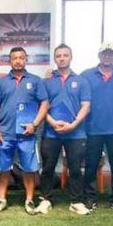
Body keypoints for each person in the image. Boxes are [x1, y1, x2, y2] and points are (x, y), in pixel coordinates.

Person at [0, 46, 49, 213]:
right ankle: (2, 199)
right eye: (14, 58)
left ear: (26, 60)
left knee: (28, 169)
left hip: (27, 134)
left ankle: (29, 200)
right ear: (9, 61)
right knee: (4, 168)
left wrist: (34, 124)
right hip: (5, 133)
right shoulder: (0, 82)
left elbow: (44, 103)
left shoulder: (36, 81)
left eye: (21, 58)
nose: (18, 61)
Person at [39, 44, 92, 215]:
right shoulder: (46, 81)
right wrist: (52, 122)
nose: (62, 58)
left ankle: (76, 201)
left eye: (65, 55)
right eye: (58, 56)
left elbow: (86, 106)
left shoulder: (82, 81)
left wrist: (73, 124)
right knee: (48, 168)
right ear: (55, 59)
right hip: (51, 132)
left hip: (76, 133)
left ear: (71, 57)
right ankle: (46, 199)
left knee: (75, 168)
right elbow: (42, 106)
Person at [80, 42, 113, 212]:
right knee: (91, 166)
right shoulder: (86, 75)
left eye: (111, 53)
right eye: (104, 53)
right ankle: (89, 197)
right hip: (93, 128)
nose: (107, 56)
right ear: (99, 55)